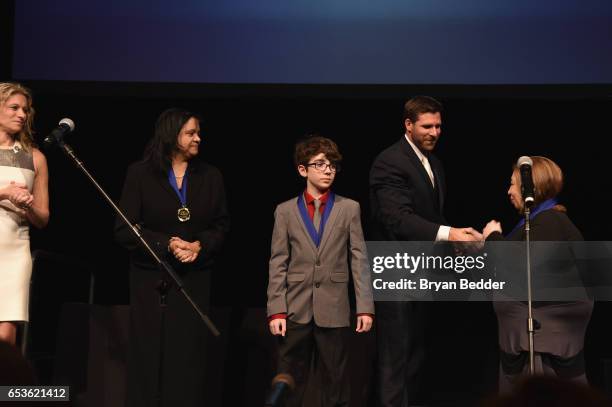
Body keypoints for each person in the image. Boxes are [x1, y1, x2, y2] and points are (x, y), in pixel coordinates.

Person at [369, 95, 481, 407]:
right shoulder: (390, 161)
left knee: (415, 356)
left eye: (439, 126)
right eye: (427, 126)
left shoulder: (434, 163)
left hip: (422, 273)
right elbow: (397, 219)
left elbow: (431, 218)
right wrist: (449, 233)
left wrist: (458, 238)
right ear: (408, 124)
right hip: (396, 272)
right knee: (396, 360)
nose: (434, 132)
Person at [115, 108, 229, 407]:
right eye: (191, 133)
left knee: (188, 358)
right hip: (150, 278)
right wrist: (167, 244)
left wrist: (199, 246)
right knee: (147, 356)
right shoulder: (140, 173)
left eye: (198, 133)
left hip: (194, 279)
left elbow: (221, 226)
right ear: (171, 135)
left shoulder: (210, 176)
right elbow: (124, 230)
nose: (198, 138)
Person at [267, 135, 374, 407]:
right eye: (320, 164)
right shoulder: (285, 211)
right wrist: (276, 309)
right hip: (295, 308)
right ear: (302, 169)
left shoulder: (349, 208)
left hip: (334, 307)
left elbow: (358, 258)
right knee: (290, 379)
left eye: (333, 165)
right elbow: (278, 261)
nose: (328, 170)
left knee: (336, 382)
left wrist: (364, 307)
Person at [483, 156, 592, 392]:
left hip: (543, 348)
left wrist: (492, 236)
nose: (508, 191)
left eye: (512, 184)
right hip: (530, 345)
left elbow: (523, 266)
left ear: (530, 187)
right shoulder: (540, 223)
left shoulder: (550, 221)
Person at [0, 82, 49, 346]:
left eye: (26, 110)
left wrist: (28, 204)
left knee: (5, 339)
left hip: (14, 252)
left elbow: (43, 219)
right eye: (14, 107)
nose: (22, 114)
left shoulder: (35, 158)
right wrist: (4, 193)